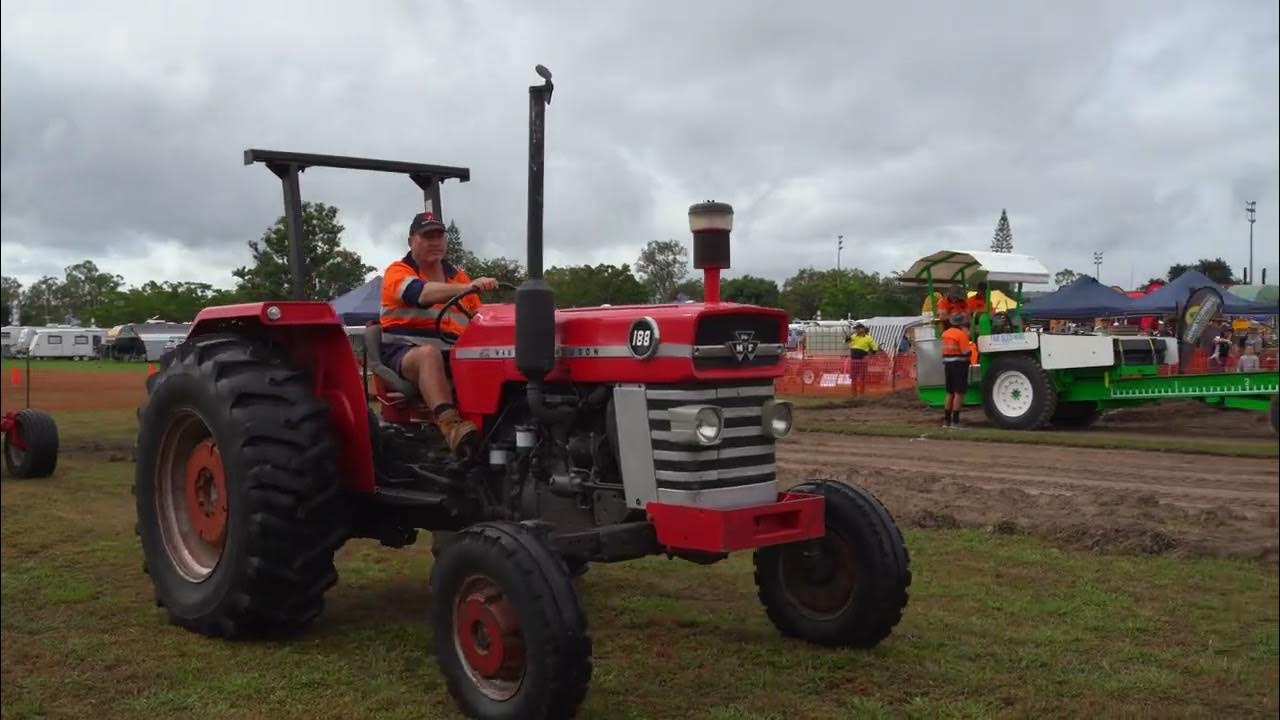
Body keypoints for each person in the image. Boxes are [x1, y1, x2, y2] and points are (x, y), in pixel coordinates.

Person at [380, 211, 498, 456]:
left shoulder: (457, 276)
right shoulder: (398, 272)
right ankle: (451, 425)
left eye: (439, 236)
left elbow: (479, 318)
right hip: (404, 350)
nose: (435, 242)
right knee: (428, 355)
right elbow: (420, 294)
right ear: (411, 240)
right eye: (427, 236)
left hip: (452, 352)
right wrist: (468, 287)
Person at [940, 312, 972, 427]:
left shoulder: (945, 334)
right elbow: (966, 352)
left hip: (948, 365)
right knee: (959, 393)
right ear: (963, 323)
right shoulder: (961, 335)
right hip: (959, 365)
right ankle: (956, 421)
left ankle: (947, 421)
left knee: (950, 393)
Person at [845, 323, 880, 394]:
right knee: (853, 378)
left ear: (863, 329)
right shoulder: (853, 336)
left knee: (862, 378)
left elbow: (874, 348)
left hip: (863, 360)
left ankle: (861, 394)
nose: (856, 330)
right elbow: (846, 341)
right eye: (856, 329)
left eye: (858, 328)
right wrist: (850, 334)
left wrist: (870, 355)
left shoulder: (868, 338)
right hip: (854, 360)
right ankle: (854, 394)